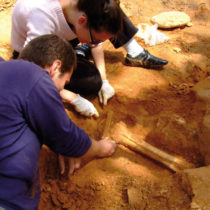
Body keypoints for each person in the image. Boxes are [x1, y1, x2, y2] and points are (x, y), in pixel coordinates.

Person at [0, 34, 117, 210]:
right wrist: (101, 148)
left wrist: (61, 142)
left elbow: (50, 128)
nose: (59, 92)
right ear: (55, 67)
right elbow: (66, 136)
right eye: (63, 84)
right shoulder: (35, 76)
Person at [11, 0, 168, 118]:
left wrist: (104, 81)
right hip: (33, 54)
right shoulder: (42, 17)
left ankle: (81, 51)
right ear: (82, 21)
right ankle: (78, 53)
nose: (97, 44)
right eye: (95, 40)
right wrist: (72, 98)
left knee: (96, 79)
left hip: (60, 42)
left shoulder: (89, 7)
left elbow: (95, 43)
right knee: (84, 83)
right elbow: (31, 71)